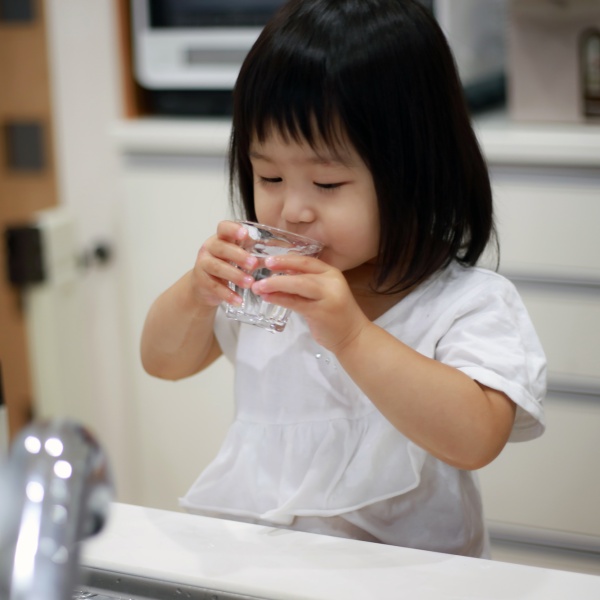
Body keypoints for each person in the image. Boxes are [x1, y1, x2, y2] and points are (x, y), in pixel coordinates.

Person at [140, 0, 546, 558]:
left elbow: (476, 439)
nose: (292, 210)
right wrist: (194, 293)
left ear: (416, 174)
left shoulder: (464, 304)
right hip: (262, 565)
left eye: (327, 183)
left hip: (411, 582)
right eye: (271, 175)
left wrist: (352, 336)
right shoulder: (267, 284)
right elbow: (163, 361)